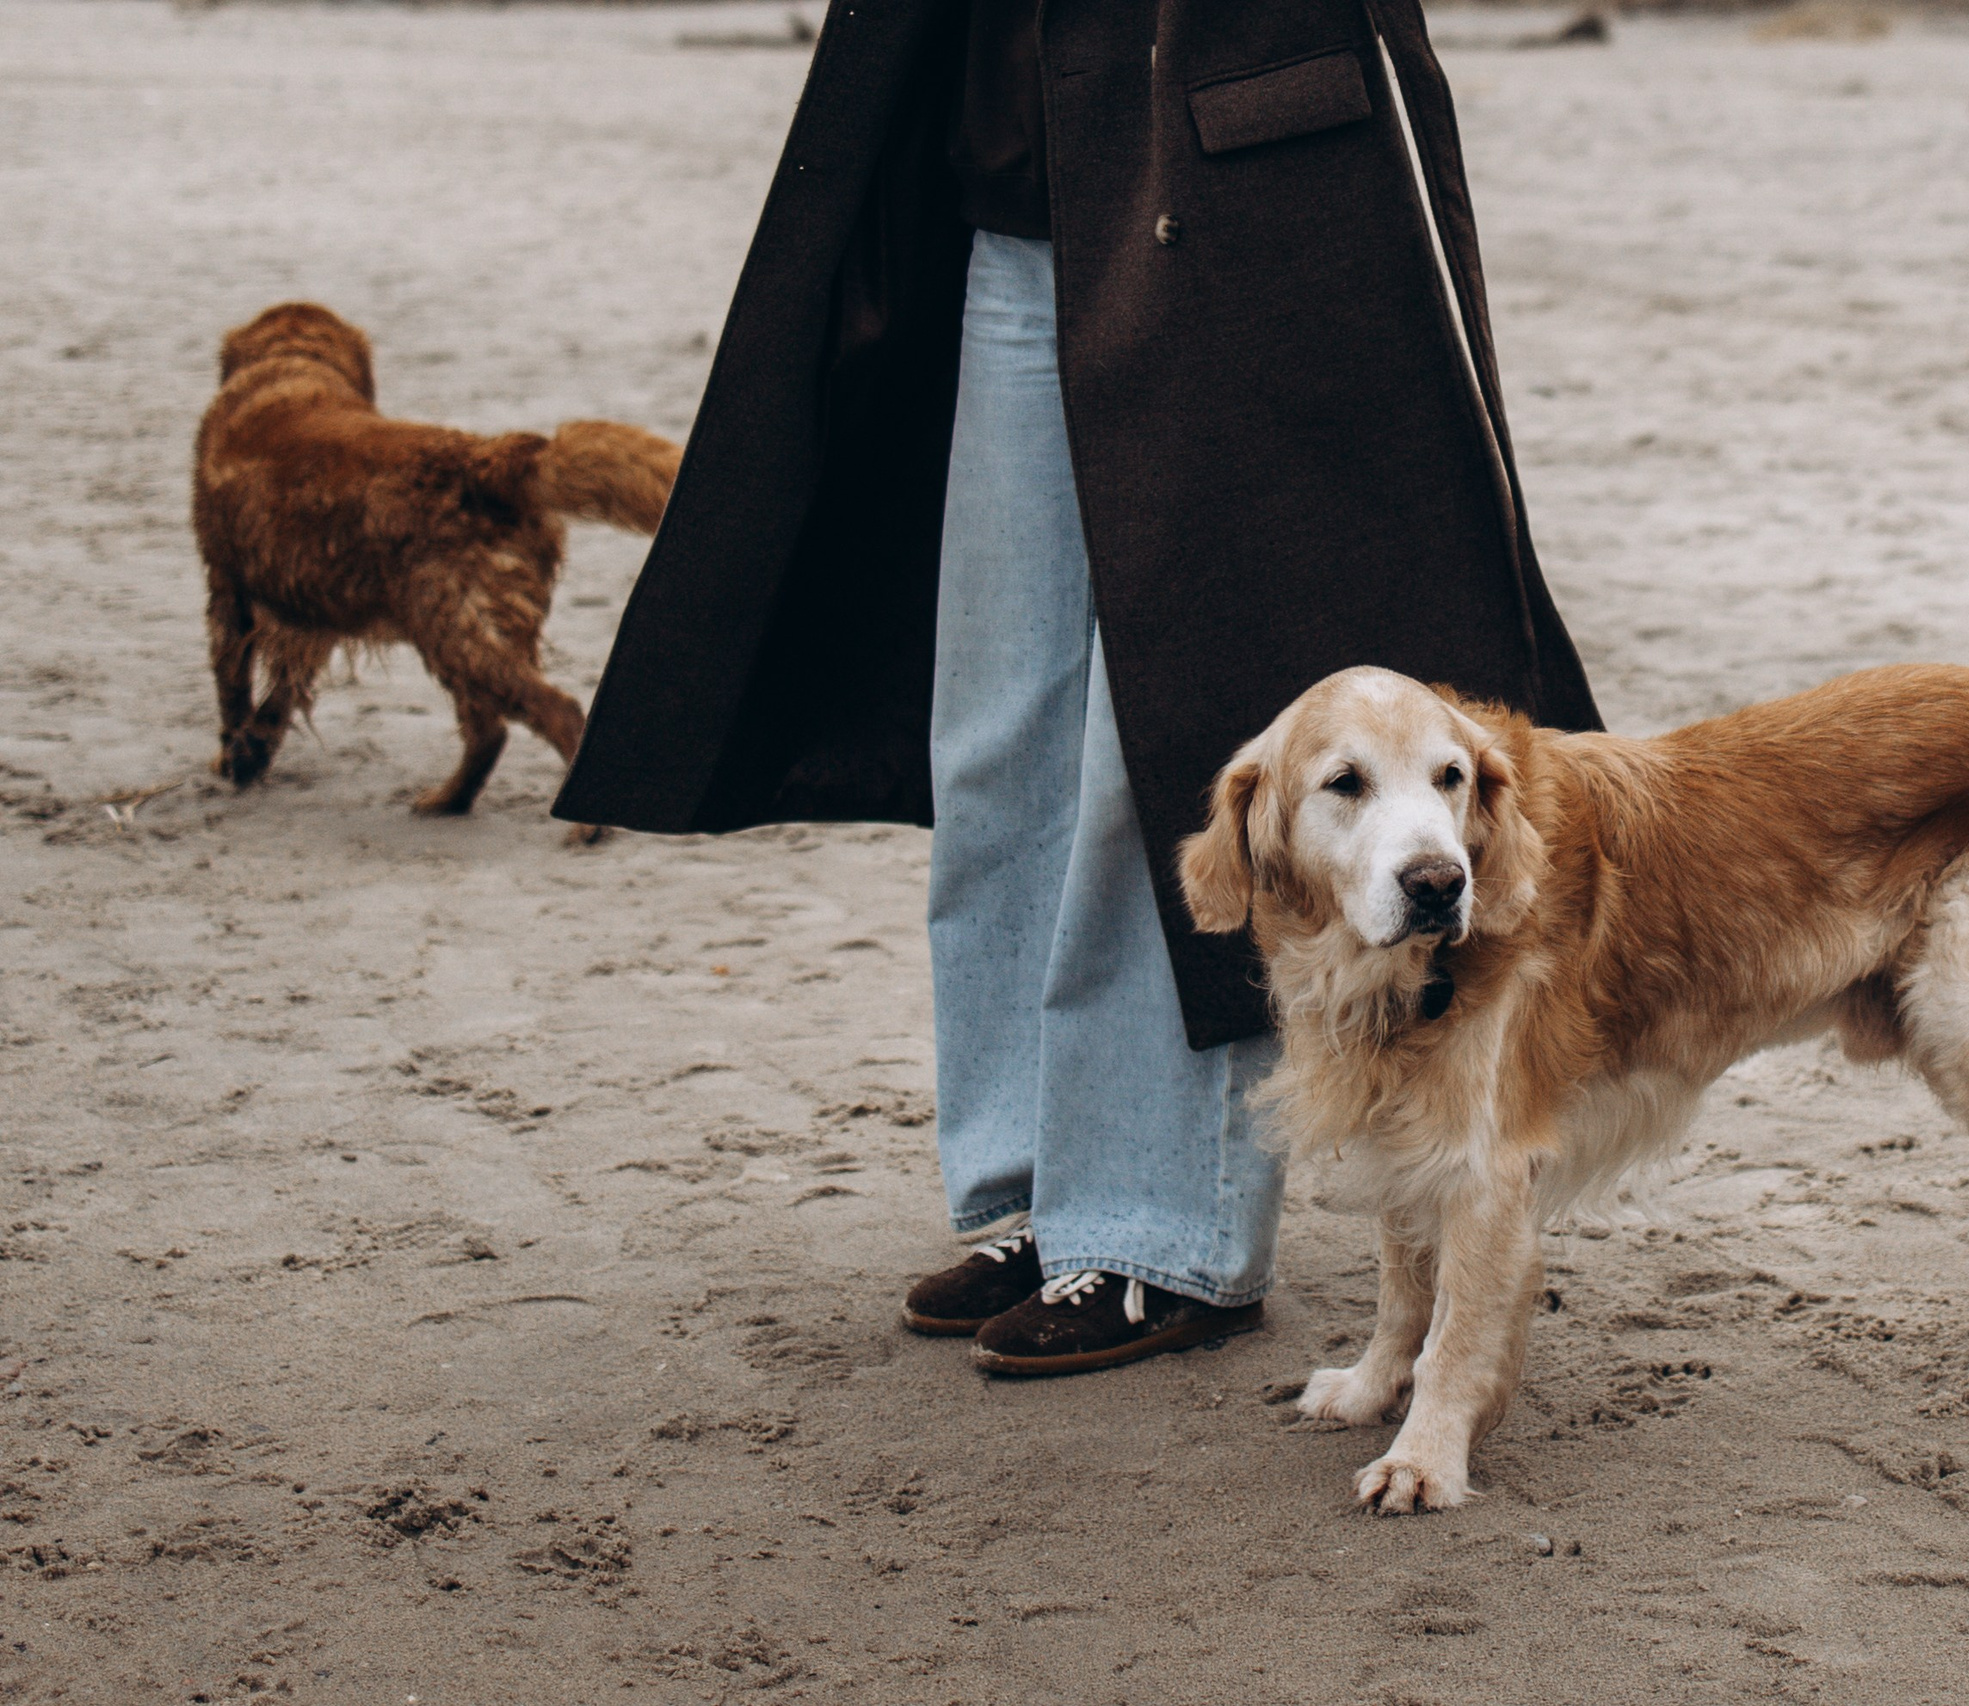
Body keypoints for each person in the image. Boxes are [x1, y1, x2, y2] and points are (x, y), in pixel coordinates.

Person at [556, 0, 1599, 1377]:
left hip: (1221, 194)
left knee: (1154, 734)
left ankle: (1160, 1230)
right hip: (1004, 188)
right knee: (996, 732)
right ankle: (1035, 1192)